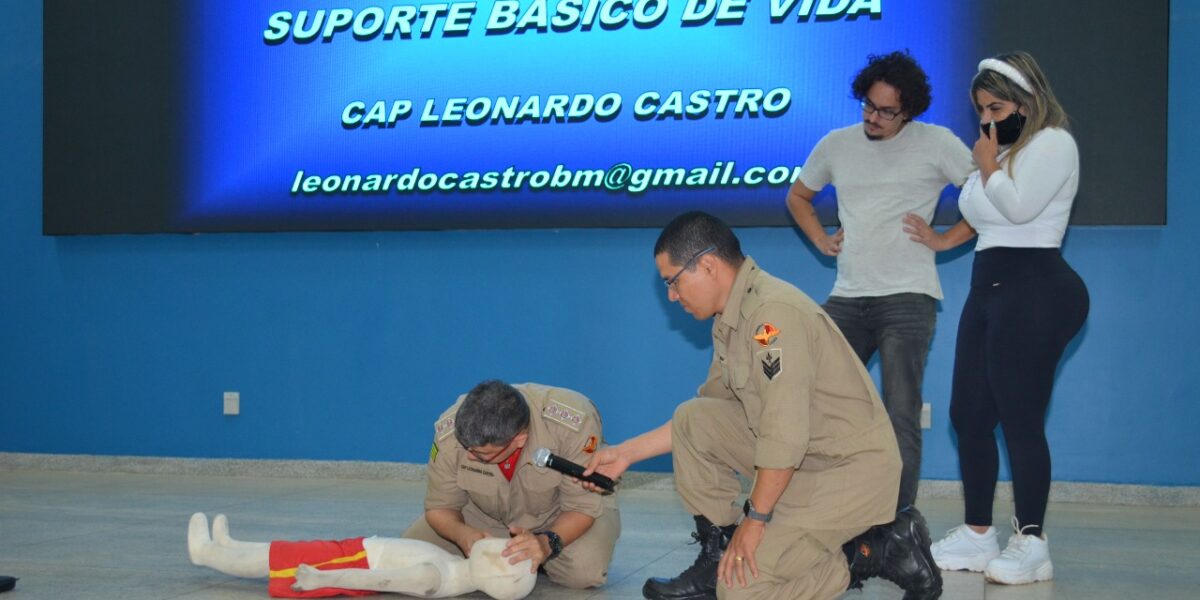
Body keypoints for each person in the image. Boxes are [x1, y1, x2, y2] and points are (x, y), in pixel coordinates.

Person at [582, 211, 941, 600]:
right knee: (693, 417)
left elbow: (784, 434)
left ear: (707, 265)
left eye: (673, 281)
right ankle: (717, 551)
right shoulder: (732, 318)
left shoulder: (773, 317)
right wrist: (623, 454)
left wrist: (756, 519)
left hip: (846, 472)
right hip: (805, 461)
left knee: (741, 590)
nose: (671, 294)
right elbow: (710, 415)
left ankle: (874, 552)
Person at [904, 52, 1089, 585]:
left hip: (1039, 289)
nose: (987, 118)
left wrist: (986, 164)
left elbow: (1019, 208)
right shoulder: (1001, 151)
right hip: (990, 289)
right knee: (968, 414)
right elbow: (982, 213)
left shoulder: (1054, 143)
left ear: (1027, 102)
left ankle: (1032, 542)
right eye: (981, 109)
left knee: (1021, 417)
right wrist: (941, 240)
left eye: (997, 106)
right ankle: (979, 535)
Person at [786, 50, 975, 512]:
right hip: (848, 297)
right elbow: (798, 196)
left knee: (900, 413)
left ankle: (896, 524)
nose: (873, 117)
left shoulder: (937, 142)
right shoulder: (837, 144)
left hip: (908, 299)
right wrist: (822, 240)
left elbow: (987, 198)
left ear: (908, 109)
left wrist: (946, 239)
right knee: (816, 402)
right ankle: (823, 507)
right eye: (868, 106)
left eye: (886, 111)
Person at [401, 380, 620, 590]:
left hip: (561, 513)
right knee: (408, 560)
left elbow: (580, 507)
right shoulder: (452, 432)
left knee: (583, 573)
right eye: (467, 447)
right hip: (484, 514)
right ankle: (518, 555)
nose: (469, 456)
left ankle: (537, 558)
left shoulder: (571, 424)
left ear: (519, 440)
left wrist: (546, 543)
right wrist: (462, 535)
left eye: (482, 455)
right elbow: (440, 506)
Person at [186, 512, 536, 599]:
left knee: (281, 562)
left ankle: (207, 554)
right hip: (361, 549)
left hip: (357, 561)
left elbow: (378, 579)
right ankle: (229, 546)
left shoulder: (435, 578)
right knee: (290, 550)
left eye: (503, 551)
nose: (498, 541)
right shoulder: (455, 566)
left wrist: (324, 579)